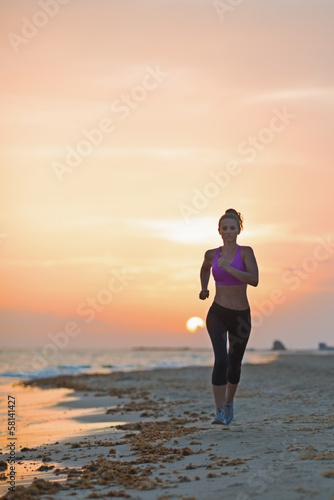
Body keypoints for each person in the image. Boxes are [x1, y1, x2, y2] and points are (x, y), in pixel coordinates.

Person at [199, 209, 259, 425]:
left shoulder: (246, 253)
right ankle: (219, 411)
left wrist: (229, 269)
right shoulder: (211, 254)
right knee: (221, 360)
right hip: (217, 312)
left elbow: (254, 280)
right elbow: (205, 268)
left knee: (234, 364)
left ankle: (229, 402)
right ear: (219, 231)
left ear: (238, 230)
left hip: (241, 316)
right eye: (225, 228)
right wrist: (204, 288)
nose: (228, 231)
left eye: (232, 228)